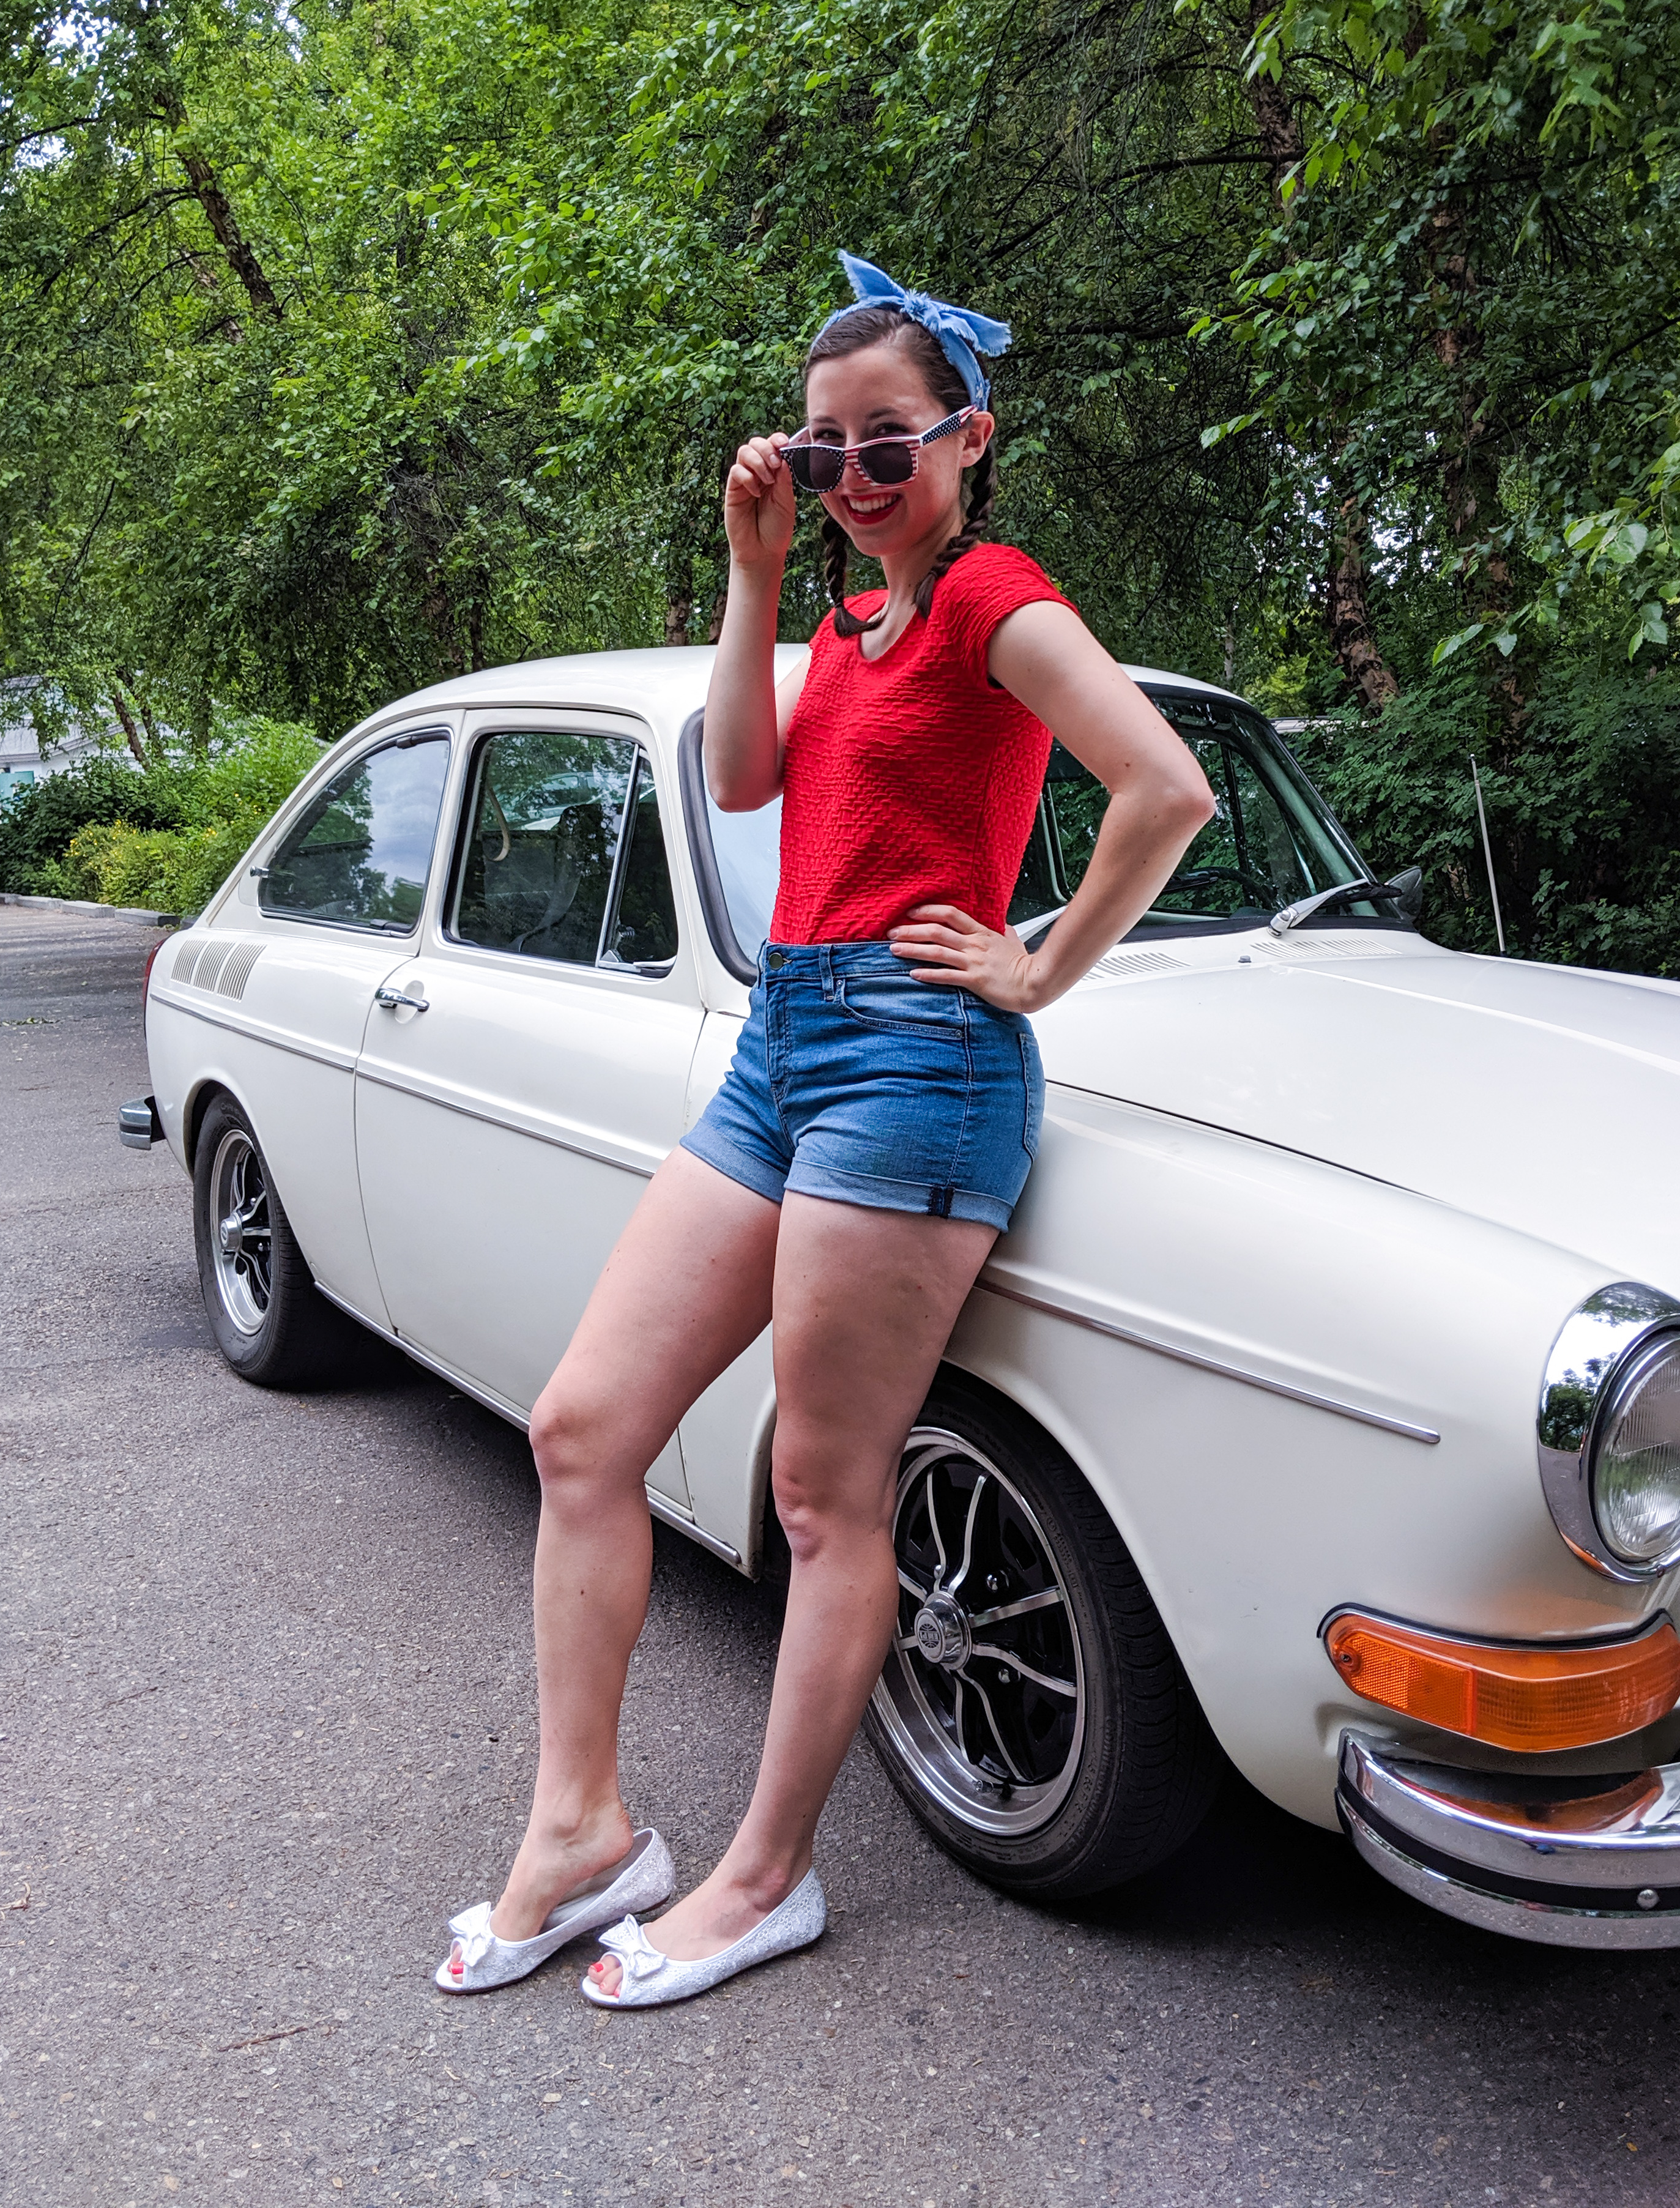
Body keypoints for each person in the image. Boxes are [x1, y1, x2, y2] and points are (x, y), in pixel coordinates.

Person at [437, 251, 1214, 2009]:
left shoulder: (994, 595)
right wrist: (755, 571)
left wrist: (1037, 967)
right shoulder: (852, 623)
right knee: (583, 1430)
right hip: (785, 1040)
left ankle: (765, 1878)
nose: (853, 474)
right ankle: (581, 1833)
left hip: (918, 1062)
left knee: (821, 1490)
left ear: (966, 440)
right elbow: (734, 780)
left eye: (886, 444)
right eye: (823, 447)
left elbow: (1164, 786)